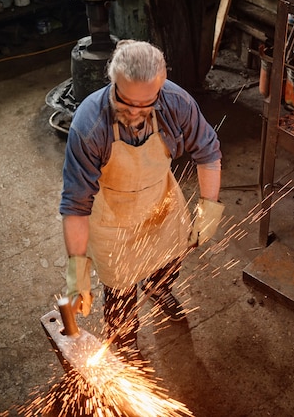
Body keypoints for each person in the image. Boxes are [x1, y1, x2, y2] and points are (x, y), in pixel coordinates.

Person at [59, 40, 224, 356]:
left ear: (160, 89)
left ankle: (159, 287)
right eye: (126, 102)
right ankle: (124, 344)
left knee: (169, 260)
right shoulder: (89, 124)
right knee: (120, 294)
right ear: (113, 81)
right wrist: (77, 274)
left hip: (159, 203)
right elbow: (76, 205)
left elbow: (208, 152)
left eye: (146, 104)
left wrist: (209, 209)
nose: (135, 113)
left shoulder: (178, 103)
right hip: (111, 216)